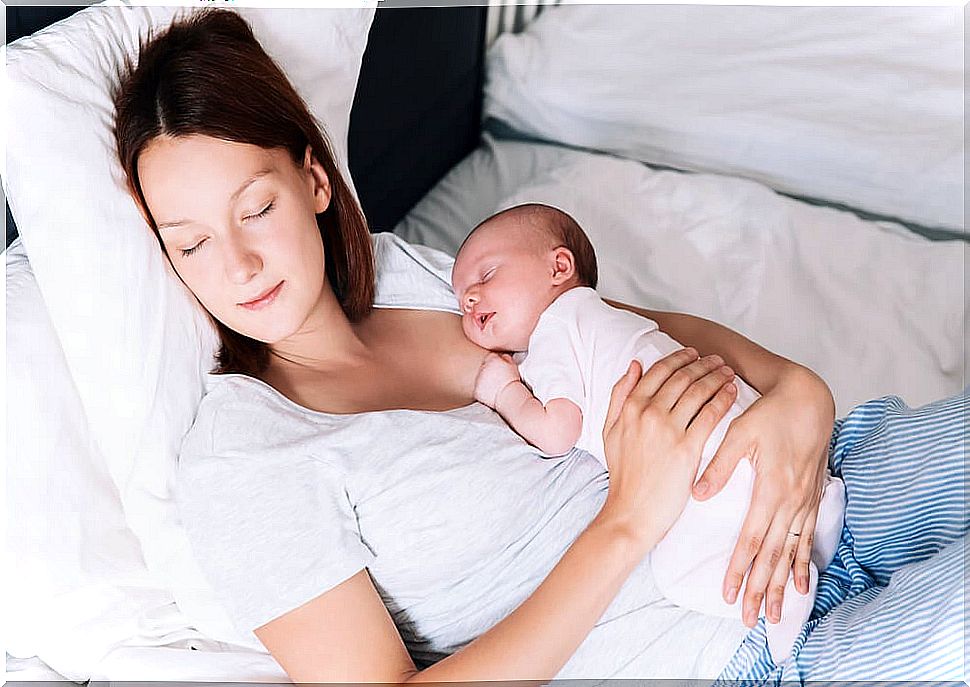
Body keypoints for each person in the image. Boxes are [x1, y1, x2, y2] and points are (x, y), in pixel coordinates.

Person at [110, 8, 966, 683]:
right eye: (190, 244)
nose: (240, 265)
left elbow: (618, 320)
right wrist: (628, 521)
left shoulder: (415, 279)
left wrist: (797, 395)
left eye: (255, 208)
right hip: (733, 652)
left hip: (828, 480)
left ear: (314, 179)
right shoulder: (246, 461)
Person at [450, 202, 847, 664]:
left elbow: (557, 430)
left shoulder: (550, 337)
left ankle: (783, 597)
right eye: (462, 299)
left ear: (559, 266)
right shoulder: (606, 315)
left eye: (486, 275)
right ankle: (824, 510)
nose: (471, 298)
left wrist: (504, 393)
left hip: (700, 472)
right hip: (748, 426)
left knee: (677, 573)